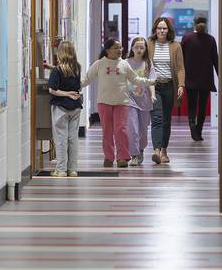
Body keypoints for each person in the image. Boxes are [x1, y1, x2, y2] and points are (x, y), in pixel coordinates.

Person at [81, 39, 155, 168]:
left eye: (121, 48)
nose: (120, 50)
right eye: (116, 48)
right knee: (107, 131)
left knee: (121, 130)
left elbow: (135, 79)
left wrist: (149, 82)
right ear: (108, 50)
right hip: (104, 102)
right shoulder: (99, 64)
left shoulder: (124, 64)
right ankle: (109, 157)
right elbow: (87, 79)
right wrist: (73, 87)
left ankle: (122, 157)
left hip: (122, 102)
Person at [147, 17, 185, 164]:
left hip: (169, 86)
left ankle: (164, 150)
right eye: (159, 28)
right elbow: (144, 64)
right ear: (155, 30)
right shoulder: (149, 44)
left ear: (168, 30)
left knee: (166, 120)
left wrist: (181, 85)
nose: (161, 31)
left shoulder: (175, 46)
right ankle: (156, 150)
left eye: (164, 28)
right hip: (154, 86)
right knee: (156, 118)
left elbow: (181, 68)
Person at [47, 41, 82, 177]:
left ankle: (61, 170)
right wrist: (70, 93)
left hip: (61, 107)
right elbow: (76, 86)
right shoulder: (77, 67)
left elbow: (52, 90)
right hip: (75, 107)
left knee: (61, 139)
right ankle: (72, 169)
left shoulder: (57, 70)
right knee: (73, 138)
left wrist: (66, 93)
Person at [181, 16, 219, 141]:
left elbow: (181, 58)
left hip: (190, 77)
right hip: (205, 79)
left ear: (194, 23)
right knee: (202, 106)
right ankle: (199, 131)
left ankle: (192, 128)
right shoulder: (211, 39)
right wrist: (221, 77)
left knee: (192, 105)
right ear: (206, 24)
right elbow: (215, 60)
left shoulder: (186, 38)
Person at [126, 37, 157, 166]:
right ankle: (134, 155)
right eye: (136, 47)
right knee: (132, 128)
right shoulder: (125, 63)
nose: (139, 50)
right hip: (129, 99)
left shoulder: (148, 63)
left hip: (144, 101)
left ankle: (141, 150)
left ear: (145, 49)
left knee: (143, 130)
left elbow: (151, 81)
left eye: (142, 47)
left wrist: (153, 95)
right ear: (132, 48)